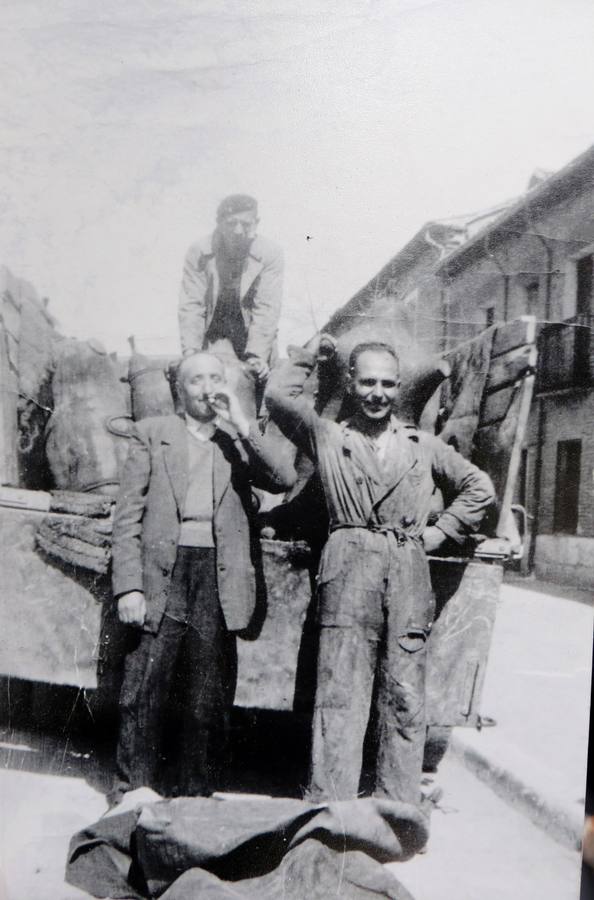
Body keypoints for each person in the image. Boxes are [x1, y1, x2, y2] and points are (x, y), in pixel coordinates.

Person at [265, 337, 495, 808]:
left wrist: (440, 533)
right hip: (348, 565)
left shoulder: (423, 446)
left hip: (407, 567)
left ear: (398, 388)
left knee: (405, 693)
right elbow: (277, 398)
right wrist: (312, 354)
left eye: (388, 384)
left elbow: (478, 487)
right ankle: (331, 806)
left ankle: (398, 806)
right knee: (340, 692)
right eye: (367, 381)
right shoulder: (328, 436)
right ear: (350, 383)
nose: (378, 393)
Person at [109, 351, 295, 805]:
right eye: (196, 380)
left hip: (217, 576)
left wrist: (242, 421)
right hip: (162, 574)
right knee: (146, 686)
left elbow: (284, 476)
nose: (207, 387)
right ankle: (133, 790)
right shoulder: (153, 435)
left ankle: (195, 793)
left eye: (216, 377)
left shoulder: (238, 442)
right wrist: (129, 585)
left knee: (206, 693)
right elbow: (127, 516)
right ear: (179, 389)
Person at [178, 194, 283, 411]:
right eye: (231, 223)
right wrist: (190, 352)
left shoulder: (270, 254)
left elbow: (266, 308)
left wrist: (257, 356)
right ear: (219, 224)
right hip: (213, 337)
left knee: (262, 400)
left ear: (257, 223)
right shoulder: (199, 251)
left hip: (253, 339)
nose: (238, 231)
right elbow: (192, 304)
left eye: (246, 224)